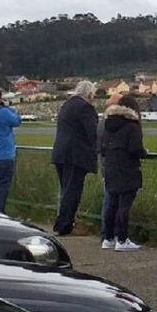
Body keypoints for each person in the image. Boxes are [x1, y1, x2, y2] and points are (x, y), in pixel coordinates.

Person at [99, 95, 148, 252]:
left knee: (111, 204)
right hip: (127, 169)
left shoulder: (108, 124)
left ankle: (108, 238)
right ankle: (122, 238)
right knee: (124, 205)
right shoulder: (132, 126)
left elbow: (103, 148)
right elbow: (135, 149)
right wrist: (144, 152)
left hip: (110, 168)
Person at [51, 81, 100, 236]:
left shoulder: (67, 105)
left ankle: (63, 221)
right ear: (90, 94)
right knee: (72, 191)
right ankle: (64, 224)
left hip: (61, 152)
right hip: (76, 154)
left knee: (66, 189)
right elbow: (93, 132)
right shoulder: (85, 108)